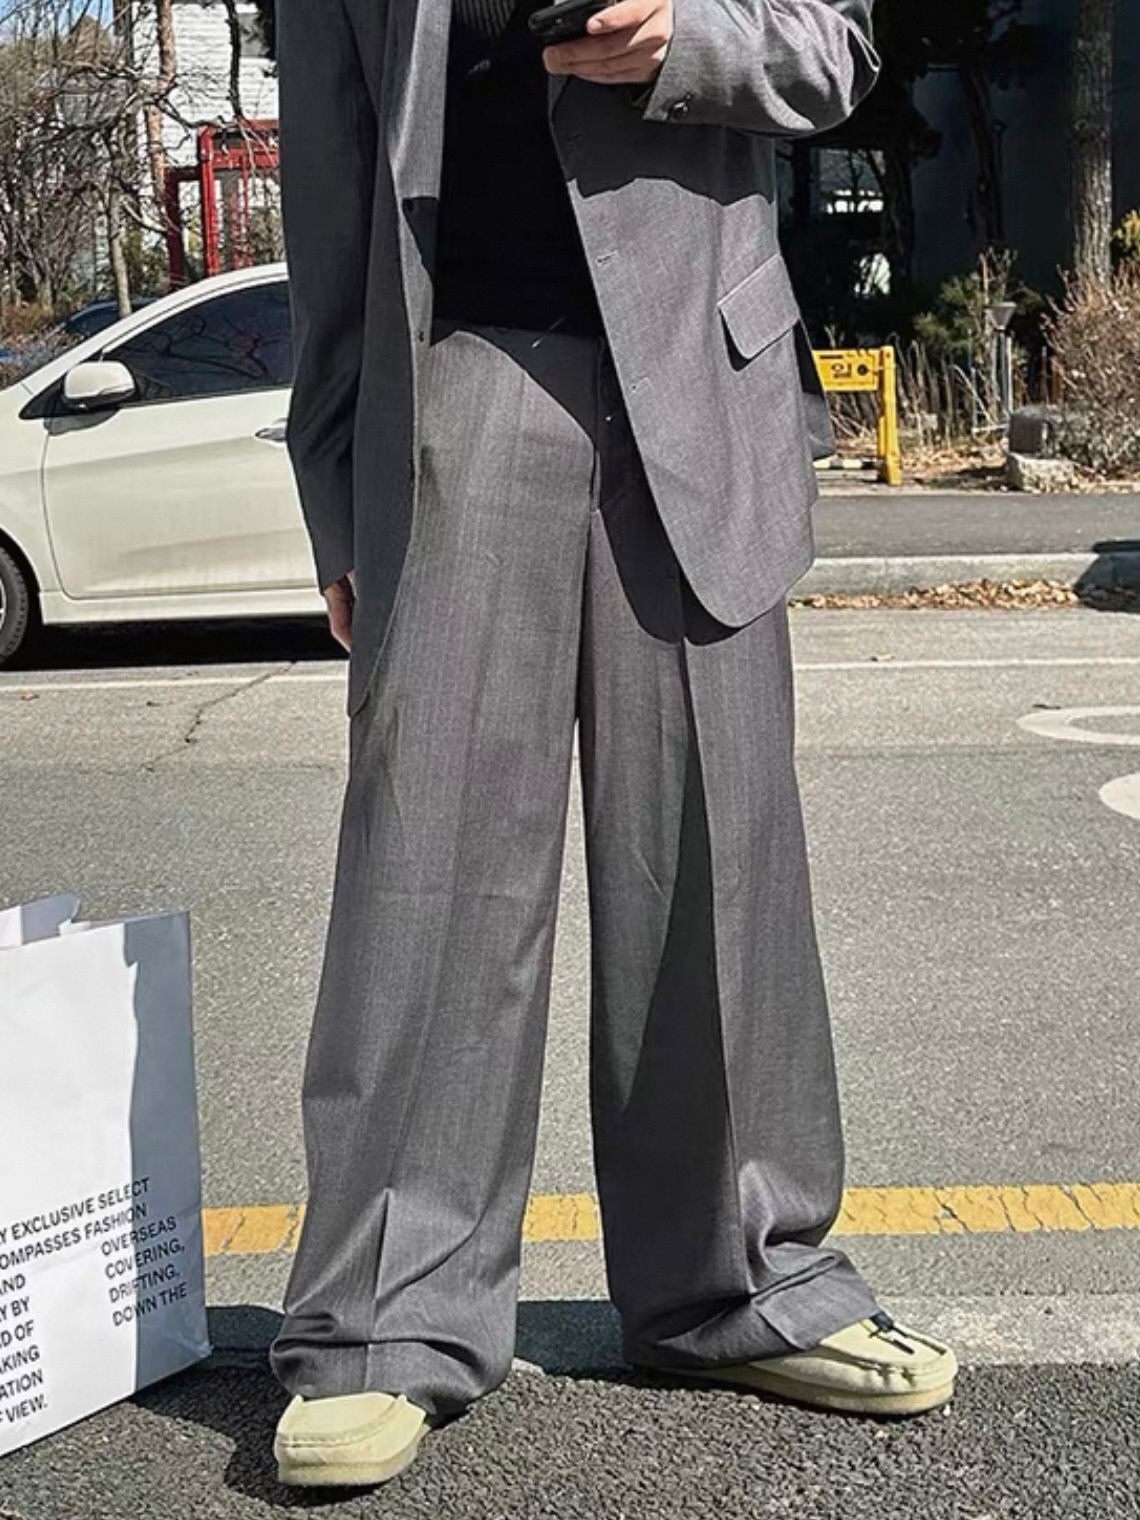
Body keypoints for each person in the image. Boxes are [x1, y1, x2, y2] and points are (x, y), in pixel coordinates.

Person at [267, 0, 958, 1489]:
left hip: (701, 383)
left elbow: (835, 45)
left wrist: (683, 41)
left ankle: (742, 1281)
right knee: (426, 870)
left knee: (715, 858)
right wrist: (333, 480)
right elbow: (327, 169)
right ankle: (384, 1322)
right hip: (452, 375)